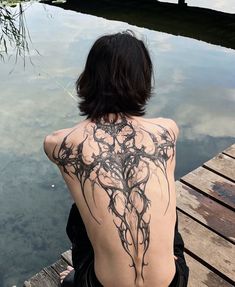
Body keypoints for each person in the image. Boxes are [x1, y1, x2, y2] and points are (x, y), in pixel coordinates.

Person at [44, 30, 189, 287]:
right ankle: (167, 259)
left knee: (82, 211)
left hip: (99, 284)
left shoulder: (58, 143)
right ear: (143, 80)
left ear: (88, 80)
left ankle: (76, 277)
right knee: (158, 199)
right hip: (172, 283)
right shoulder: (167, 131)